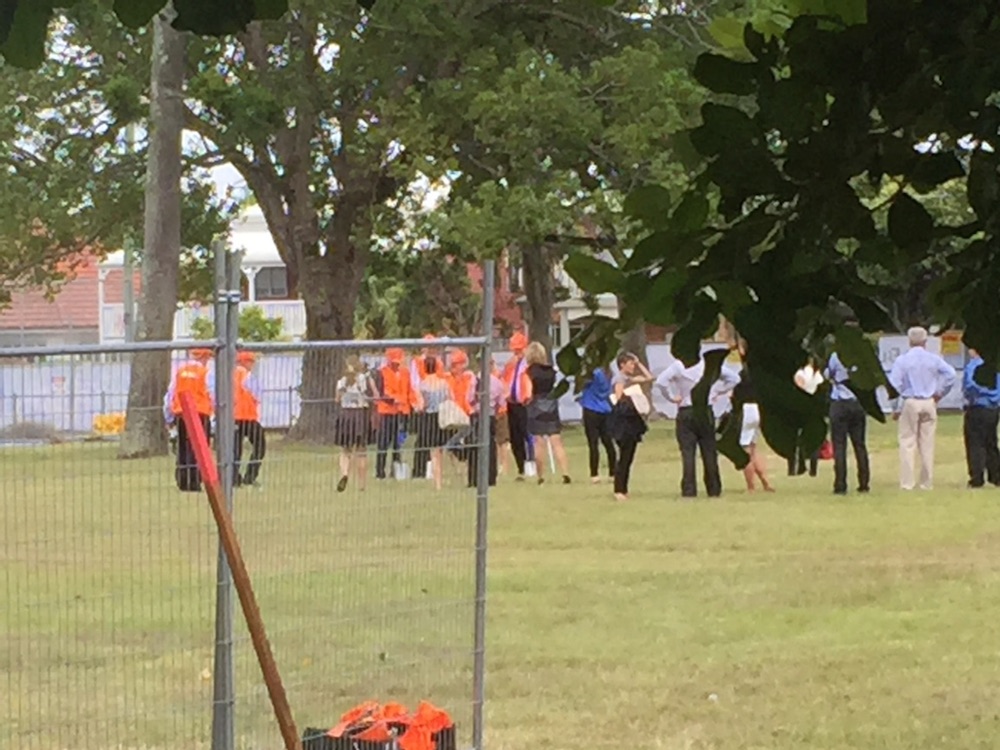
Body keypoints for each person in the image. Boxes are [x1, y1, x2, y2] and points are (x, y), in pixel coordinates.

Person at [656, 351, 739, 498]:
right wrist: (716, 391)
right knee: (709, 451)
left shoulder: (679, 366)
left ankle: (689, 490)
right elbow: (734, 378)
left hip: (686, 409)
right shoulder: (709, 366)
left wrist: (670, 397)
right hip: (705, 410)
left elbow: (661, 381)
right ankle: (714, 488)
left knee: (688, 452)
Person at [888, 326, 957, 490]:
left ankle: (907, 482)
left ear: (909, 341)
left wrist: (895, 408)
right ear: (925, 341)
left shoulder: (902, 360)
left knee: (907, 442)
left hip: (911, 401)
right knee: (927, 443)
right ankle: (926, 482)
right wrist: (940, 393)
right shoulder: (933, 359)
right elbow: (951, 374)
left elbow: (894, 385)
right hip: (928, 401)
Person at [163, 348, 215, 492]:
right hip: (200, 414)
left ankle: (182, 480)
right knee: (198, 449)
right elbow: (212, 393)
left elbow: (170, 395)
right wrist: (217, 412)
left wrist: (169, 416)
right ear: (204, 357)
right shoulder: (206, 373)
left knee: (183, 447)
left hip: (181, 414)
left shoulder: (180, 372)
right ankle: (194, 480)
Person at [824, 344, 872, 496]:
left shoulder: (836, 356)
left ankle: (840, 484)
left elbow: (827, 375)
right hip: (857, 403)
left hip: (839, 403)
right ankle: (864, 483)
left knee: (839, 446)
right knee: (860, 445)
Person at [524, 341, 571, 484]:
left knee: (539, 442)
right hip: (551, 404)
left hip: (536, 405)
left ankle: (540, 476)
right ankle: (565, 472)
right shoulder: (552, 371)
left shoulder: (529, 372)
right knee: (556, 441)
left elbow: (528, 391)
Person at [608, 352, 652, 501]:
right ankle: (618, 489)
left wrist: (639, 363)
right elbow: (619, 397)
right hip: (623, 421)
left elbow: (649, 378)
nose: (633, 366)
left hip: (631, 420)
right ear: (622, 365)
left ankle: (623, 488)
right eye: (631, 363)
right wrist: (631, 394)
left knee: (629, 456)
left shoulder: (629, 378)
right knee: (624, 456)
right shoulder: (619, 379)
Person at [373, 347, 421, 480]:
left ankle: (396, 470)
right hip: (386, 412)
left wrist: (414, 403)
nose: (396, 364)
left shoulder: (405, 372)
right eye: (394, 361)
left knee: (398, 443)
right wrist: (393, 399)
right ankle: (380, 472)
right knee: (383, 443)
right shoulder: (381, 373)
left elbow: (409, 390)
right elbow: (382, 393)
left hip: (402, 412)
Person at [334, 354, 378, 492]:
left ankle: (345, 473)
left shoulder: (341, 382)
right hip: (360, 415)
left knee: (345, 450)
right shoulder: (362, 380)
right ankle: (362, 484)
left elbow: (337, 399)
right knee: (361, 451)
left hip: (345, 415)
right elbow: (370, 395)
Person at [733, 344, 773, 493]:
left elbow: (735, 396)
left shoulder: (743, 374)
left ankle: (751, 486)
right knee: (754, 449)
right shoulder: (763, 374)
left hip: (746, 409)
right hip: (759, 410)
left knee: (745, 451)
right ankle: (765, 482)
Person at [962, 348, 1000, 488]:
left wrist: (974, 395)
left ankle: (977, 477)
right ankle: (996, 475)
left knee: (975, 443)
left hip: (978, 406)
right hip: (993, 408)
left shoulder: (974, 365)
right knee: (991, 441)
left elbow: (971, 385)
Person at [414, 354, 451, 491]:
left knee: (433, 451)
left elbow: (422, 404)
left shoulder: (423, 385)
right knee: (440, 450)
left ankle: (436, 482)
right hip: (441, 417)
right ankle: (439, 480)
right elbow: (450, 398)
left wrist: (417, 408)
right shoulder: (443, 383)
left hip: (429, 418)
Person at [411, 334, 446, 480]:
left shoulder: (438, 362)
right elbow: (415, 383)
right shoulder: (417, 362)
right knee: (423, 439)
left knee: (435, 440)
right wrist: (419, 402)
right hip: (423, 404)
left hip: (435, 403)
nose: (431, 350)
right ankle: (419, 470)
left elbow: (442, 378)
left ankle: (431, 470)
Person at [577, 361, 617, 484]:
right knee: (608, 442)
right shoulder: (609, 373)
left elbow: (581, 385)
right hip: (605, 409)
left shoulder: (593, 373)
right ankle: (613, 472)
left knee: (593, 444)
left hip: (591, 409)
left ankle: (594, 474)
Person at [233, 351, 266, 488]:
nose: (252, 365)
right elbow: (257, 395)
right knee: (259, 446)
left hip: (233, 418)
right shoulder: (247, 376)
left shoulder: (228, 376)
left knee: (235, 449)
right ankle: (250, 476)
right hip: (248, 417)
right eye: (251, 361)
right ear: (244, 362)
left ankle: (234, 478)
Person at [502, 332, 532, 480]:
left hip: (525, 404)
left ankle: (531, 464)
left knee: (528, 434)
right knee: (515, 437)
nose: (517, 352)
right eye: (514, 349)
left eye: (519, 349)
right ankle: (521, 468)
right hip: (511, 404)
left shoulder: (529, 364)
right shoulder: (510, 364)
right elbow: (504, 380)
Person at [790, 356, 824, 477]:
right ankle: (813, 469)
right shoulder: (819, 374)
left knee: (799, 438)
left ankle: (799, 466)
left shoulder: (801, 372)